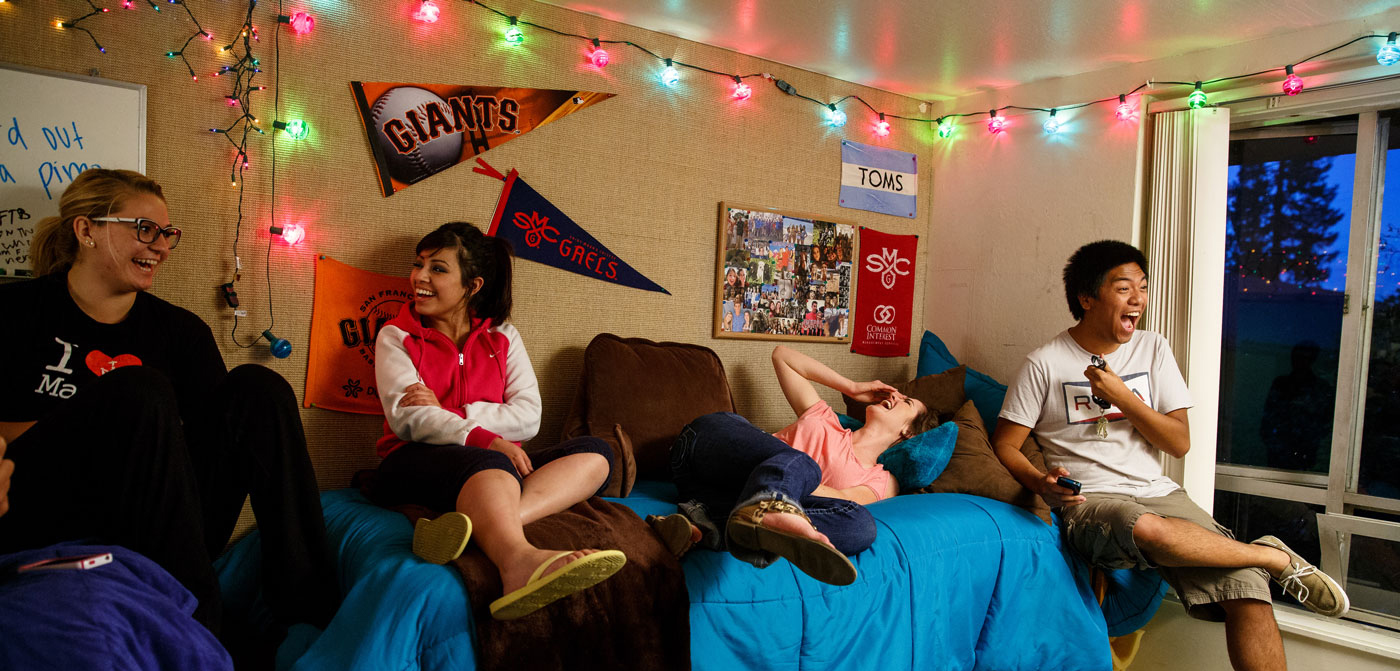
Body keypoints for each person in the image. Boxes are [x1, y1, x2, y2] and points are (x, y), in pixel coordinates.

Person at [0, 168, 339, 635]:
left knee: (258, 387)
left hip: (160, 521)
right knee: (143, 391)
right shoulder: (15, 311)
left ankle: (310, 617)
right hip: (45, 511)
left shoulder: (180, 331)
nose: (160, 246)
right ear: (86, 230)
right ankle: (199, 624)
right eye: (144, 229)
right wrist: (114, 425)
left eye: (167, 234)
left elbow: (214, 447)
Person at [991, 240, 1349, 671]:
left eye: (1142, 287)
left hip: (1158, 491)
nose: (1138, 299)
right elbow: (1006, 444)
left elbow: (1179, 442)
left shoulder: (1153, 348)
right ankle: (1274, 556)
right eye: (1124, 288)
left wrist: (1125, 397)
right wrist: (1039, 483)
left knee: (1249, 592)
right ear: (1087, 298)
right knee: (1148, 528)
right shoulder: (1044, 364)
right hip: (1093, 500)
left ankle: (1260, 562)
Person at [372, 222, 624, 621]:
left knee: (597, 453)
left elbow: (529, 417)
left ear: (473, 285)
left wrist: (453, 413)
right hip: (410, 462)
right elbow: (409, 420)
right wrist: (486, 438)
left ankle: (475, 525)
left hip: (494, 466)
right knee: (490, 462)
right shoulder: (396, 336)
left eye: (437, 268)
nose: (419, 277)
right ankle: (519, 562)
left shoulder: (504, 336)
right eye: (419, 265)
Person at [655, 345, 936, 585]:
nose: (893, 396)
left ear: (908, 433)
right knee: (802, 464)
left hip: (716, 492)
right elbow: (782, 356)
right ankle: (769, 510)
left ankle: (710, 526)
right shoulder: (824, 417)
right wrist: (851, 387)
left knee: (862, 526)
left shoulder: (882, 479)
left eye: (905, 401)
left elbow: (847, 501)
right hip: (709, 449)